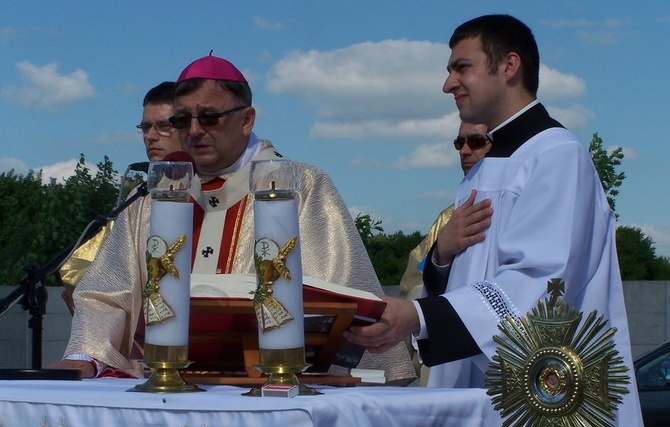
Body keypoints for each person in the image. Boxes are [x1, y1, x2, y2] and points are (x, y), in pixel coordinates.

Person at [345, 14, 651, 427]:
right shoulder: (484, 169)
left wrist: (419, 318)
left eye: (461, 67)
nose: (448, 83)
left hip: (547, 413)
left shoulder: (557, 155)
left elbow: (540, 287)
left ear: (509, 66)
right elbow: (476, 275)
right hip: (485, 408)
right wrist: (440, 259)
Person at [54, 54, 415, 384]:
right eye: (182, 120)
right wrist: (86, 354)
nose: (194, 130)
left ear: (246, 119)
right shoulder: (156, 196)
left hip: (273, 389)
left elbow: (339, 291)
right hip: (167, 387)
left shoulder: (299, 186)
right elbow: (107, 293)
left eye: (209, 117)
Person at [59, 81, 182, 298]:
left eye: (163, 126)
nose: (150, 136)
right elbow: (76, 271)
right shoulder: (139, 197)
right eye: (145, 128)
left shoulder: (208, 191)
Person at [398, 120, 492, 301]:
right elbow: (412, 290)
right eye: (459, 144)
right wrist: (442, 256)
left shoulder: (521, 207)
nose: (464, 151)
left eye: (476, 142)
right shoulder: (447, 219)